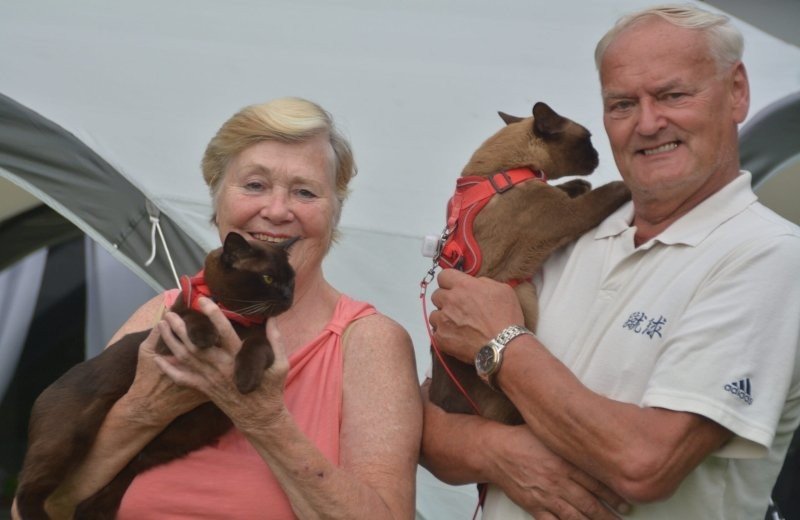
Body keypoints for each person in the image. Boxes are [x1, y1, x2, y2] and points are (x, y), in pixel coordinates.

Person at [422, 5, 800, 519]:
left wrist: (501, 344)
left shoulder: (768, 256)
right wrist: (499, 451)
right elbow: (421, 427)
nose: (647, 123)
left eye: (673, 95)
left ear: (736, 92)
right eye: (622, 104)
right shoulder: (567, 229)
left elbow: (645, 463)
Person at [14, 97, 422, 519]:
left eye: (304, 191)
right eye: (254, 185)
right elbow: (41, 508)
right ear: (217, 199)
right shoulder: (160, 316)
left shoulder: (367, 343)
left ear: (335, 212)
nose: (277, 210)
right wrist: (146, 409)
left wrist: (264, 419)